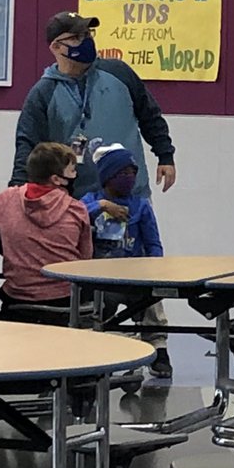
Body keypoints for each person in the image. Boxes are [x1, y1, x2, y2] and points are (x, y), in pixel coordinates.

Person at [9, 12, 177, 198]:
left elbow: (150, 116)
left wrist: (165, 155)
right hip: (76, 200)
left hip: (131, 194)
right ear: (56, 47)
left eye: (87, 34)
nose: (86, 41)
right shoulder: (43, 92)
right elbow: (27, 145)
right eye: (75, 37)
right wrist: (18, 192)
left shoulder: (119, 73)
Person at [0, 141, 92, 320]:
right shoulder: (77, 209)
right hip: (64, 299)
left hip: (18, 298)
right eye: (72, 171)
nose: (76, 175)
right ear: (56, 179)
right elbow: (85, 258)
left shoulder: (8, 199)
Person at [81, 143, 172, 380]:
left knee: (154, 302)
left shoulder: (141, 206)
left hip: (135, 277)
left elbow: (153, 243)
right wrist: (102, 207)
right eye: (123, 174)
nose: (129, 179)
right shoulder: (91, 200)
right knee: (95, 310)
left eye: (133, 174)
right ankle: (97, 353)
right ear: (108, 177)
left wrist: (156, 268)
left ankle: (159, 348)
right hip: (101, 280)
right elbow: (75, 215)